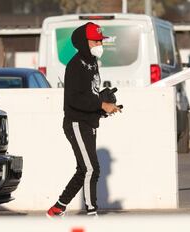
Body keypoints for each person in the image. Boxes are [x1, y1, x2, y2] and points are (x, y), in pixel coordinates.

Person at [47, 22, 121, 218]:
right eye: (96, 40)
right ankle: (91, 213)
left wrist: (104, 108)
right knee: (91, 169)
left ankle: (57, 208)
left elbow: (90, 93)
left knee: (83, 170)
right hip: (76, 123)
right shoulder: (75, 65)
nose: (100, 44)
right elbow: (74, 99)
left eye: (101, 40)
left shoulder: (93, 62)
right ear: (84, 42)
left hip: (89, 122)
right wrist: (100, 105)